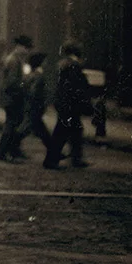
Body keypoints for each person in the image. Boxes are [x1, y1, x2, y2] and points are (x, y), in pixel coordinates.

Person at [45, 40, 93, 170]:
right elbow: (77, 87)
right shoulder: (73, 65)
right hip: (70, 105)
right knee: (62, 132)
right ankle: (52, 160)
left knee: (75, 130)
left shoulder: (63, 65)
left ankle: (76, 158)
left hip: (64, 103)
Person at [0, 34, 35, 163]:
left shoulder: (15, 59)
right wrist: (25, 84)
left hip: (11, 97)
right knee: (11, 126)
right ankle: (2, 153)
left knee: (13, 124)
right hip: (12, 98)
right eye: (26, 48)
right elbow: (12, 82)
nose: (28, 51)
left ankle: (13, 151)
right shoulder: (14, 61)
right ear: (20, 47)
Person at [22, 51, 56, 160]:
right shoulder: (38, 75)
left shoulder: (32, 74)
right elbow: (35, 91)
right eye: (44, 61)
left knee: (38, 130)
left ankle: (53, 151)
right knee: (31, 129)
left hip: (33, 106)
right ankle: (10, 145)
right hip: (36, 106)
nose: (46, 63)